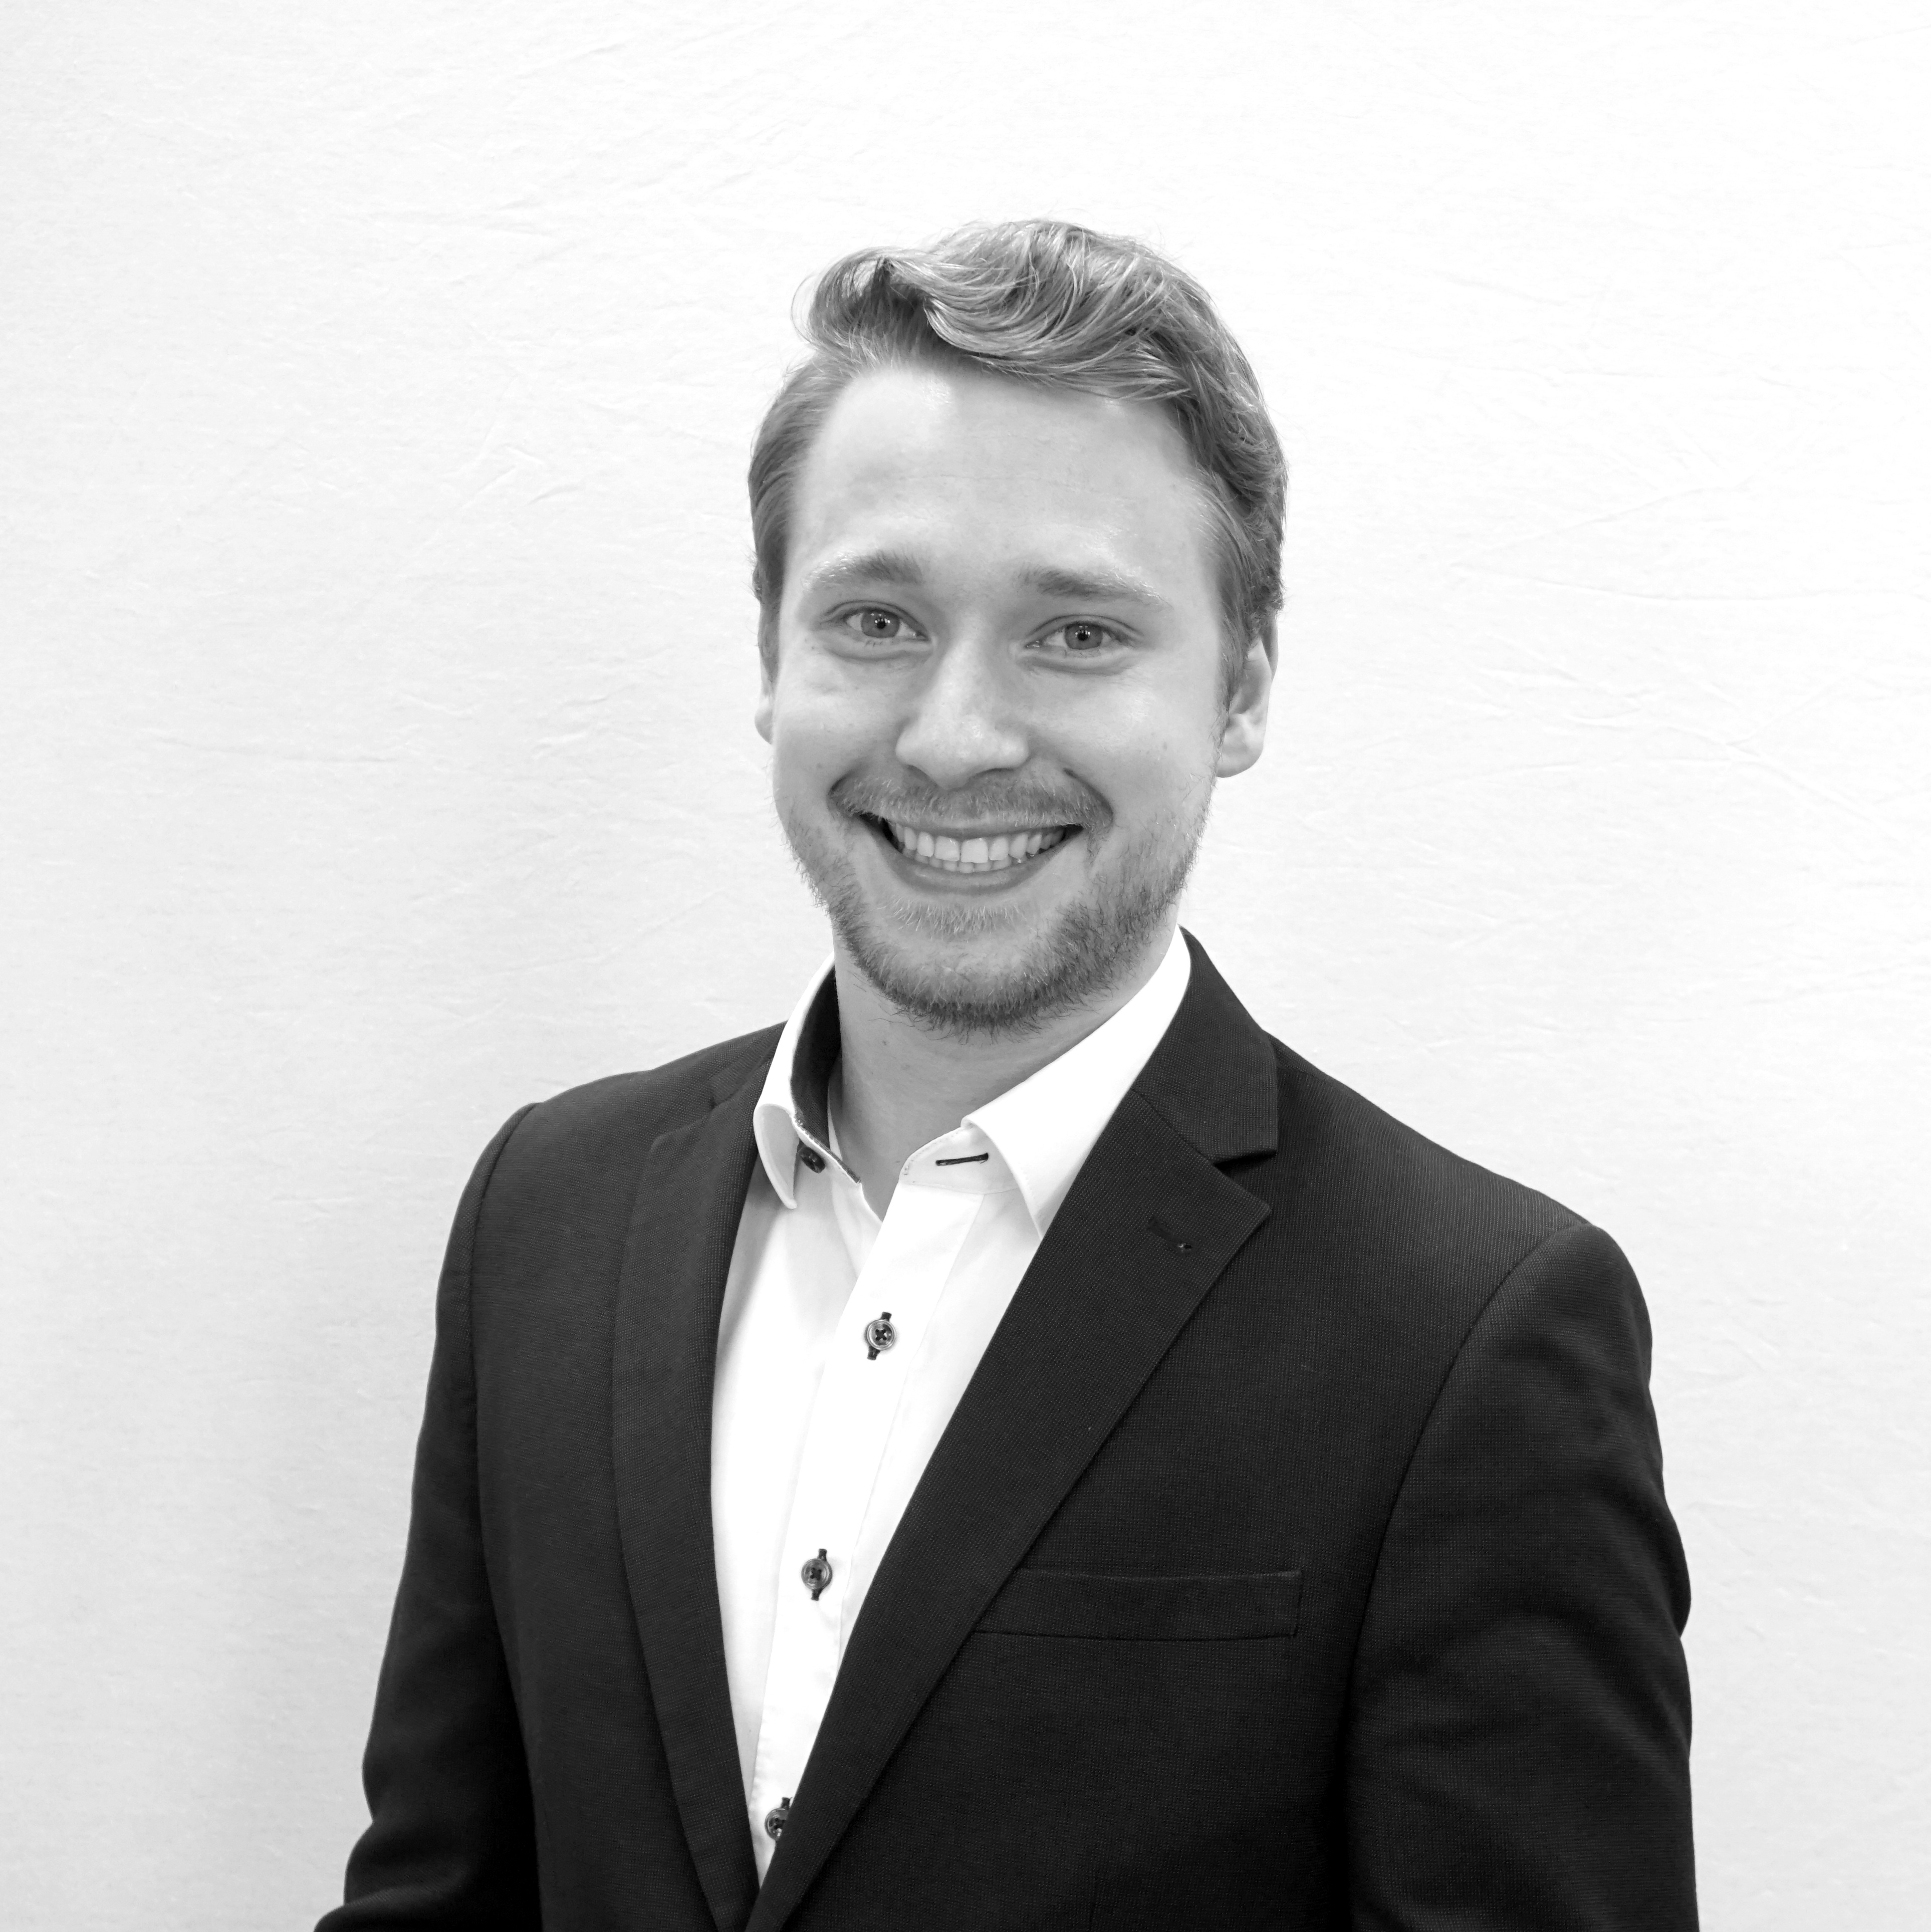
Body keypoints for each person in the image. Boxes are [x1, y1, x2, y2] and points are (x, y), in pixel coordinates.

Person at [318, 219, 1697, 1931]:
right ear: (772, 660)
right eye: (877, 618)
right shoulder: (549, 1216)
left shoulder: (1469, 1333)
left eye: (1078, 633)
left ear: (1244, 685)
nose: (956, 737)